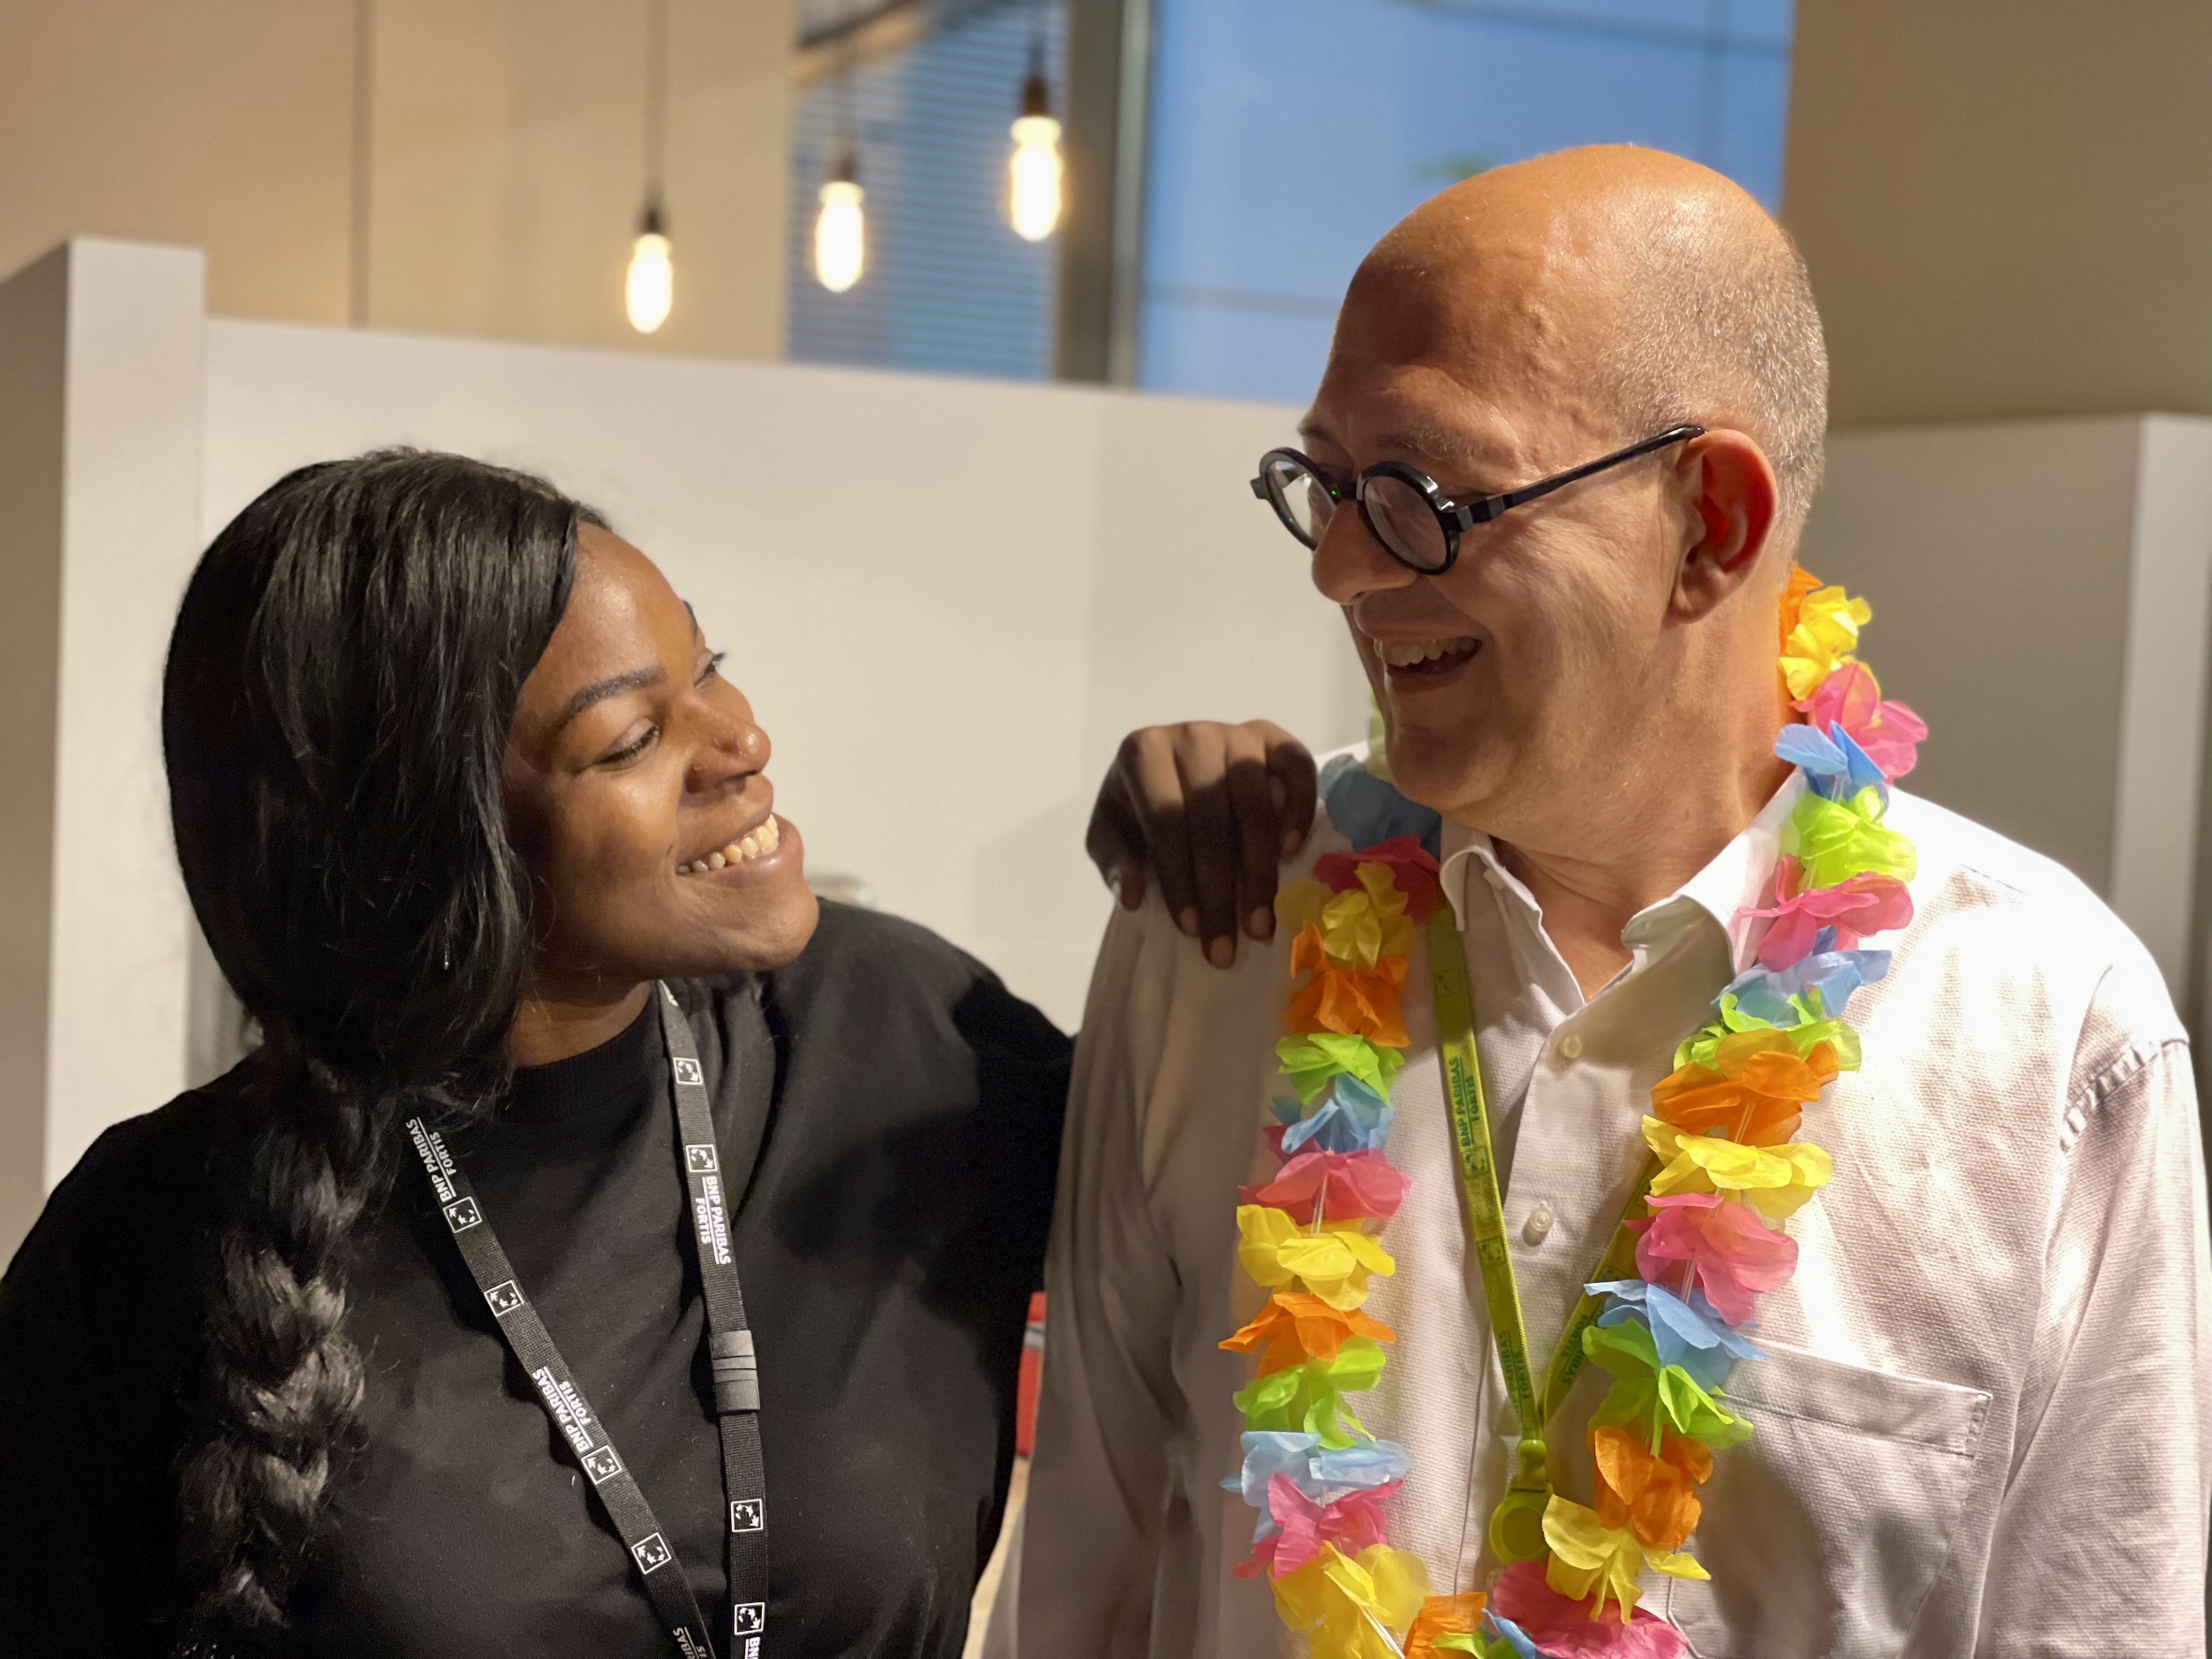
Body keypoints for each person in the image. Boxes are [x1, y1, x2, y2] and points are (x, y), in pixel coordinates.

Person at [1018, 146, 2212, 1658]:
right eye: (1327, 483)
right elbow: (1086, 1584)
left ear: (1711, 524)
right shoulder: (1222, 927)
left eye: (1423, 493)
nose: (1340, 569)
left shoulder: (2050, 1031)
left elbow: (2100, 1621)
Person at [0, 450, 1292, 1658]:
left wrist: (1245, 841)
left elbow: (1264, 1209)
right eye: (631, 739)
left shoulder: (900, 1029)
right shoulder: (152, 1241)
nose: (741, 744)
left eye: (709, 665)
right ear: (430, 841)